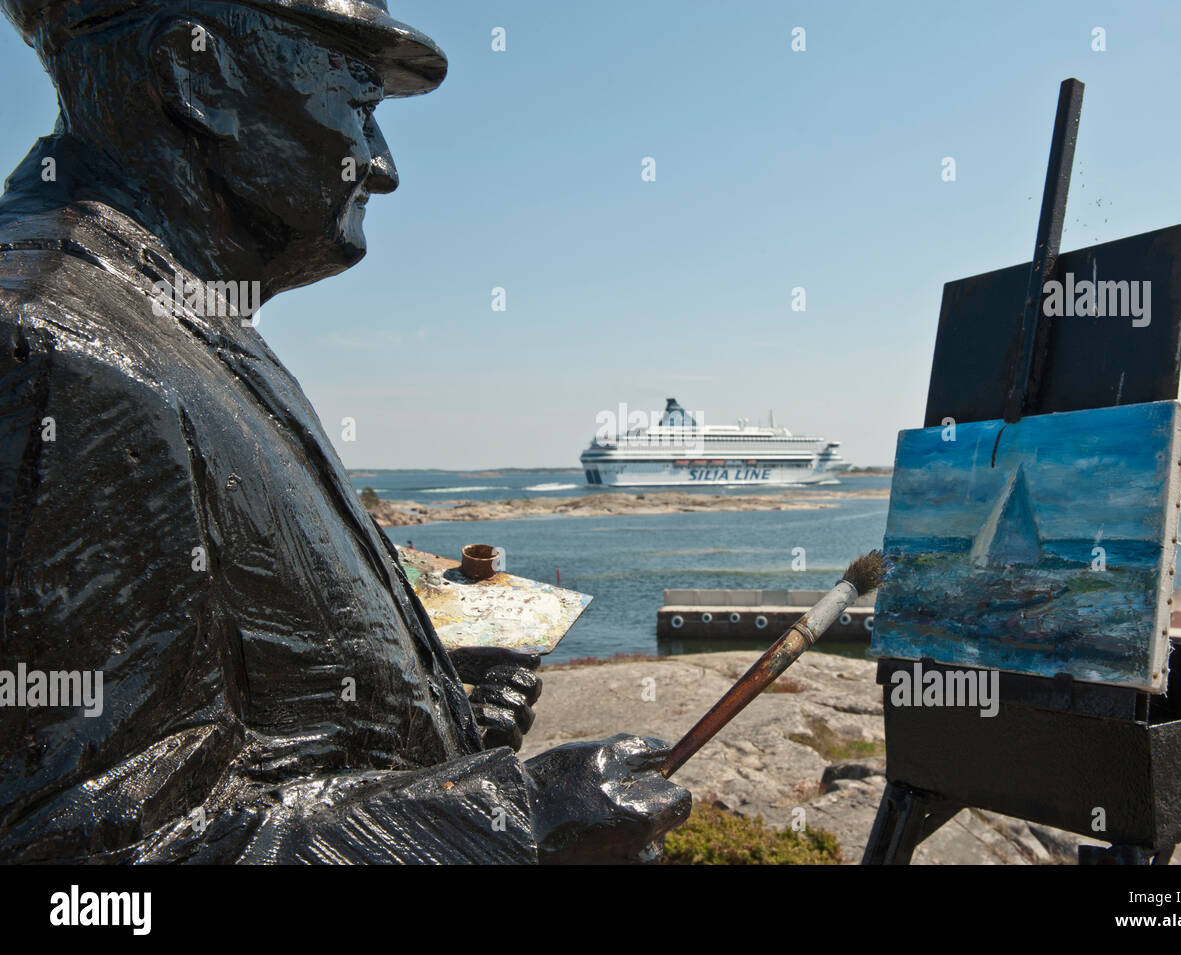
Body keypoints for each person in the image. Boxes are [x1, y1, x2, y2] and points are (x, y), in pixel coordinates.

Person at [0, 0, 689, 863]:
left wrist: (427, 711)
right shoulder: (57, 352)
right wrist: (509, 823)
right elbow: (88, 877)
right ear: (196, 72)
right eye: (358, 105)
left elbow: (240, 748)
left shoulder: (178, 323)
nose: (385, 165)